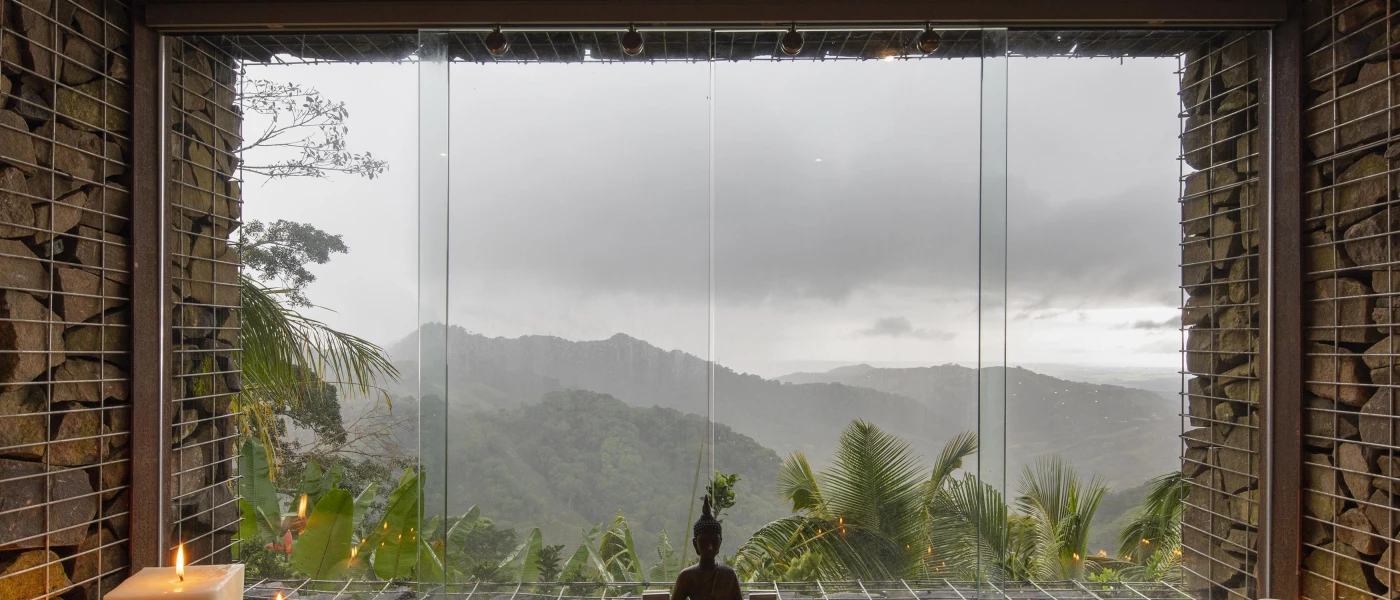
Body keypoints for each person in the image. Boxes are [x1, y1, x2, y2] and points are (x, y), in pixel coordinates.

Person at [671, 495, 743, 600]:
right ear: (695, 544)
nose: (709, 547)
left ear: (720, 543)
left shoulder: (728, 574)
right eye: (704, 541)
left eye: (714, 541)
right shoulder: (686, 576)